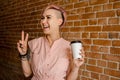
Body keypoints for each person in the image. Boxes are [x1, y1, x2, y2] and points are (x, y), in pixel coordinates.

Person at [17, 4, 85, 80]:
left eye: (48, 17)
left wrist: (76, 67)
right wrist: (23, 55)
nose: (43, 21)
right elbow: (27, 73)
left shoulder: (69, 47)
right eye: (42, 18)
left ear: (59, 22)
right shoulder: (35, 43)